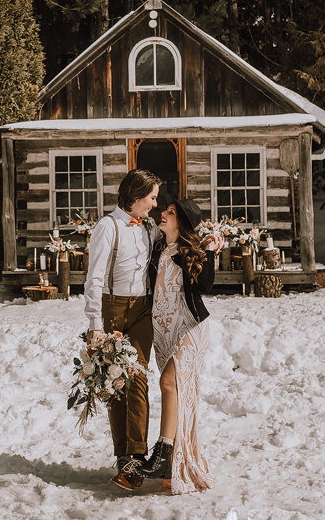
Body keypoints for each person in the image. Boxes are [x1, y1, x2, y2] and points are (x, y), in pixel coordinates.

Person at [135, 195, 221, 494]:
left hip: (191, 327)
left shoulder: (190, 252)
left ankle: (163, 454)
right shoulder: (158, 250)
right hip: (165, 331)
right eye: (165, 210)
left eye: (170, 213)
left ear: (181, 222)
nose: (163, 214)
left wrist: (208, 249)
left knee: (169, 382)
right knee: (177, 392)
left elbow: (206, 284)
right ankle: (174, 462)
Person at [83, 168, 162, 490]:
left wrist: (211, 242)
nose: (155, 205)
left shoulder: (149, 227)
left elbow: (174, 242)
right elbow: (95, 277)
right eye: (152, 197)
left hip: (143, 309)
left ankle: (137, 457)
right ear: (135, 195)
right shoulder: (108, 226)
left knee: (138, 378)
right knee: (116, 385)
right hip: (112, 309)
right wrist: (94, 325)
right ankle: (123, 458)